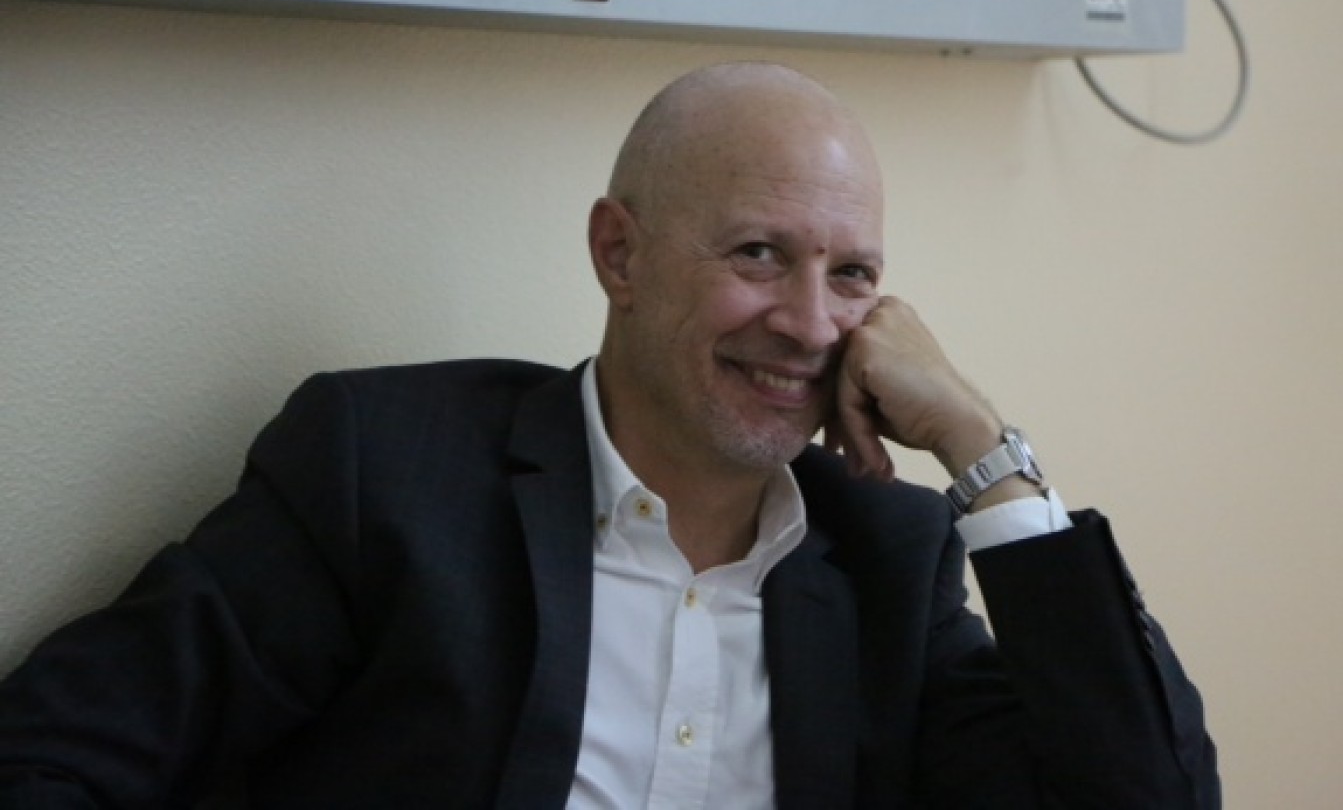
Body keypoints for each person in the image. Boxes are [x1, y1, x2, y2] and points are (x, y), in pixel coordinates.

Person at [0, 63, 1219, 808]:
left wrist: (980, 448)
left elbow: (1147, 797)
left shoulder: (886, 560)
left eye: (851, 275)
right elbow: (53, 754)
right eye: (758, 254)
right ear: (619, 254)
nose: (809, 324)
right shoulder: (387, 471)